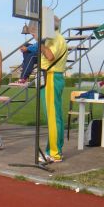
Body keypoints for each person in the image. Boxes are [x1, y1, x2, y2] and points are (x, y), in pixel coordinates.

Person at [38, 16, 68, 163]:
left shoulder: (55, 37)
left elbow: (49, 56)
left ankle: (54, 153)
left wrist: (39, 42)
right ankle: (54, 150)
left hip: (51, 76)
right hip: (51, 76)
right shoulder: (54, 38)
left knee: (53, 117)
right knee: (55, 116)